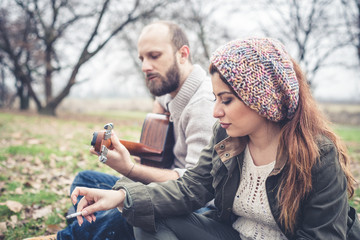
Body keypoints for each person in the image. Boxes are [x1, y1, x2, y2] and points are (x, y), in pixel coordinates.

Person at [70, 37, 360, 240]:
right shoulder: (227, 136)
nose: (216, 111)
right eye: (215, 98)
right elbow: (190, 188)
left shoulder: (319, 154)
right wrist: (122, 195)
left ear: (263, 99)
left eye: (227, 100)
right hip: (232, 234)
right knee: (144, 212)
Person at [39, 21, 215, 240]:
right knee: (85, 181)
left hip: (193, 206)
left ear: (183, 54)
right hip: (160, 185)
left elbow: (194, 187)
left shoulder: (205, 104)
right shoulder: (168, 89)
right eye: (142, 58)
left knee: (130, 210)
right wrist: (156, 120)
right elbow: (155, 146)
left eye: (154, 56)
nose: (145, 67)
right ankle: (96, 224)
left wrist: (130, 169)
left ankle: (72, 234)